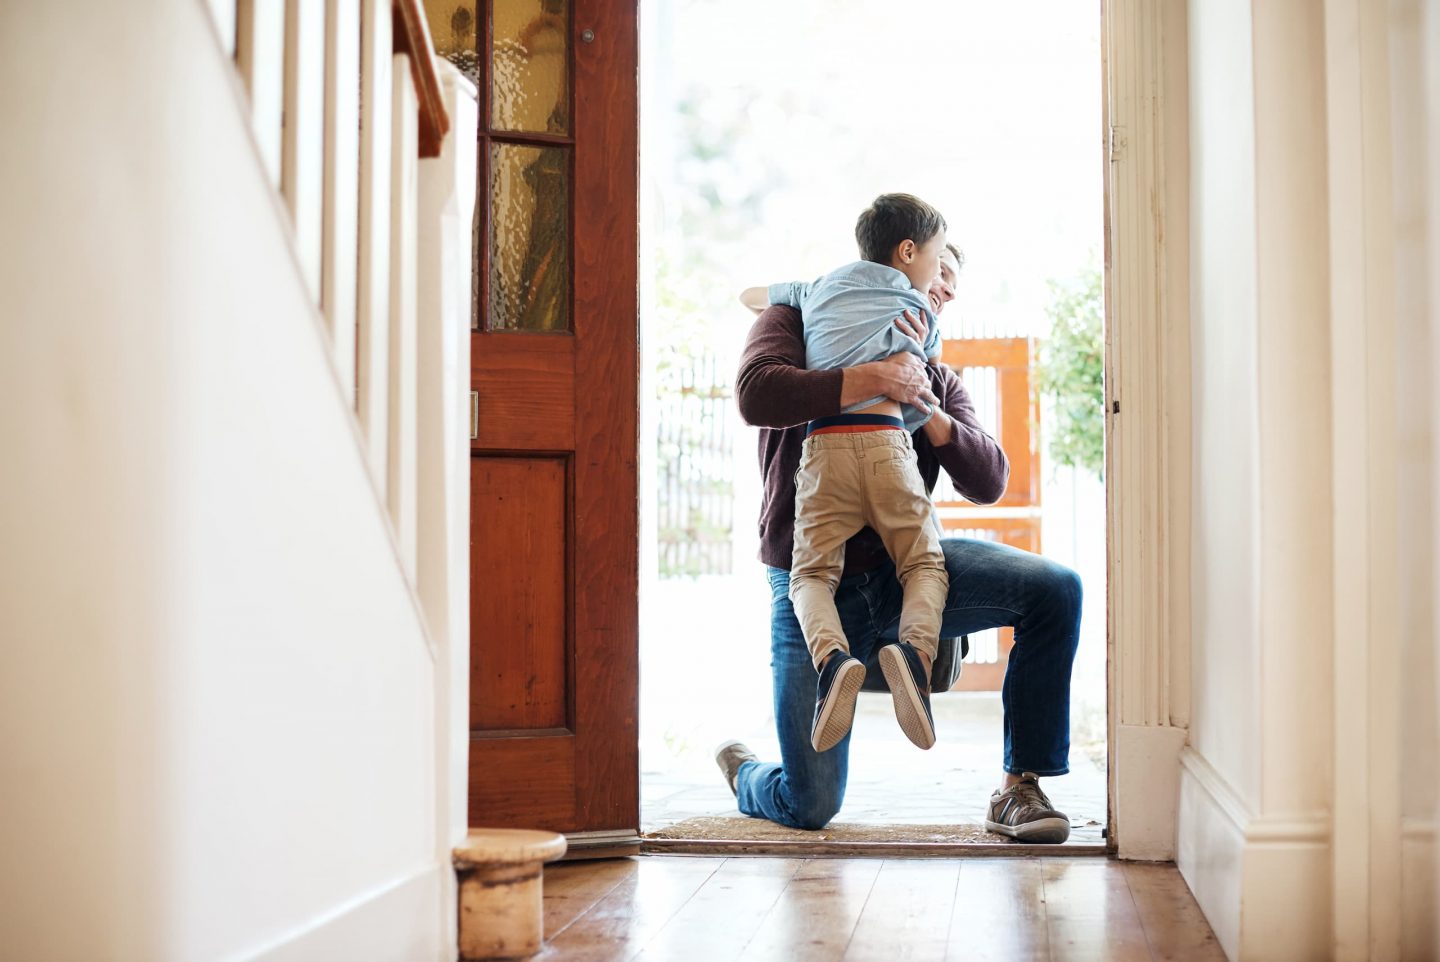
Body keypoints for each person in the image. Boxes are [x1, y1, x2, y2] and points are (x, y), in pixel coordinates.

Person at [715, 244, 1082, 843]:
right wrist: (869, 377)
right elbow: (758, 395)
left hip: (907, 573)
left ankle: (1021, 788)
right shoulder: (796, 318)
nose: (949, 290)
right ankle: (748, 775)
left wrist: (925, 405)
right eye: (942, 271)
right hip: (813, 585)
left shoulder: (932, 370)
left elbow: (989, 479)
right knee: (810, 805)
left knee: (1054, 590)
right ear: (898, 267)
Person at [737, 193, 952, 756]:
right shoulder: (918, 308)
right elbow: (925, 366)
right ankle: (914, 655)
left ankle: (833, 661)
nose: (936, 276)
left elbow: (752, 296)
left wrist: (789, 303)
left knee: (810, 577)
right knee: (924, 562)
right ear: (907, 252)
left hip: (824, 447)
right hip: (885, 445)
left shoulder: (817, 291)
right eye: (935, 260)